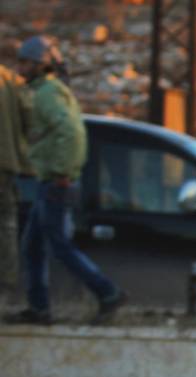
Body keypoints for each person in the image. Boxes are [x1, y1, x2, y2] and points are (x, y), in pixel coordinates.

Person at [3, 36, 126, 325]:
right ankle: (39, 308)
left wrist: (62, 172)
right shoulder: (47, 91)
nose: (20, 68)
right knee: (32, 246)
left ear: (40, 64)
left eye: (25, 62)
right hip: (49, 180)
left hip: (56, 183)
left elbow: (70, 133)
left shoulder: (47, 95)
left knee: (59, 246)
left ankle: (107, 292)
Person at [0, 60, 30, 301]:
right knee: (7, 226)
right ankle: (6, 286)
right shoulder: (10, 79)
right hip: (7, 164)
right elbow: (31, 115)